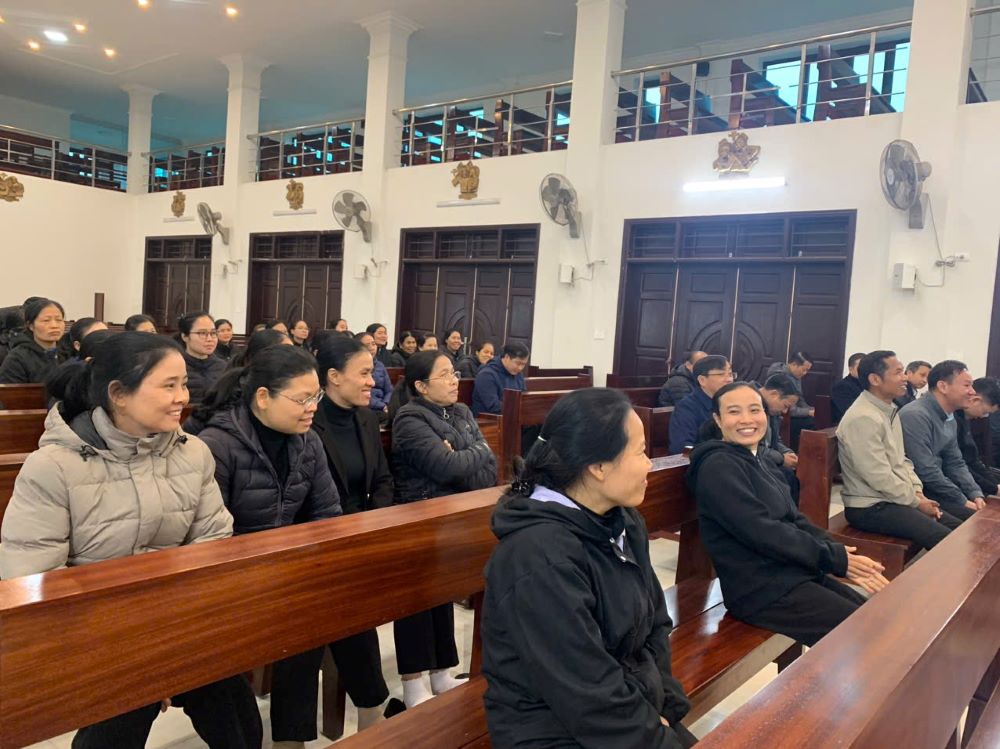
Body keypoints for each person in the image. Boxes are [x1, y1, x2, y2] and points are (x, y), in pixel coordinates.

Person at [0, 332, 262, 748]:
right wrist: (136, 644)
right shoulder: (53, 466)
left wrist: (168, 636)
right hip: (93, 631)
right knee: (124, 705)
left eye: (184, 384)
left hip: (179, 622)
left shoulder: (192, 453)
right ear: (119, 394)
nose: (183, 397)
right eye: (168, 385)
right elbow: (34, 577)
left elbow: (212, 541)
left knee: (234, 706)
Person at [482, 388, 696, 749]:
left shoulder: (624, 521)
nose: (649, 464)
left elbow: (655, 624)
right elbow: (582, 686)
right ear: (598, 467)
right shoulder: (537, 556)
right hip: (552, 728)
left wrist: (666, 708)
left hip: (622, 704)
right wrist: (655, 732)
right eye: (641, 451)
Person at [195, 345, 341, 749]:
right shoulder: (216, 445)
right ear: (263, 397)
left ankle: (292, 739)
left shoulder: (308, 442)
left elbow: (327, 514)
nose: (313, 407)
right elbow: (211, 538)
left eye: (317, 396)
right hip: (229, 581)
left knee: (317, 615)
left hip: (285, 573)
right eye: (302, 398)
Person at [688, 382, 887, 647]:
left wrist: (837, 551)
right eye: (734, 412)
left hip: (789, 572)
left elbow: (795, 519)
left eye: (754, 410)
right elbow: (762, 531)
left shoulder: (759, 459)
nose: (746, 419)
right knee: (864, 633)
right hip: (759, 590)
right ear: (718, 419)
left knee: (873, 616)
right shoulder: (718, 466)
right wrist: (832, 558)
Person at [391, 350, 497, 707]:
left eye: (454, 373)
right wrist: (469, 454)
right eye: (445, 375)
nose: (455, 380)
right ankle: (413, 682)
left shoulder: (462, 411)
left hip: (456, 512)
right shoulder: (409, 419)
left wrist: (463, 455)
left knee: (445, 591)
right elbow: (446, 467)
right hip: (420, 516)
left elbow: (487, 467)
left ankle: (441, 673)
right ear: (421, 386)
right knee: (419, 594)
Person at [306, 336, 394, 731]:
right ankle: (372, 713)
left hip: (364, 536)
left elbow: (384, 479)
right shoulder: (308, 422)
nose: (373, 381)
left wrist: (374, 524)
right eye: (364, 373)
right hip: (322, 540)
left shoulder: (367, 419)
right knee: (348, 609)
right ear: (334, 377)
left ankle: (373, 712)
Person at [837, 351, 961, 550]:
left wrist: (917, 491)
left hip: (894, 498)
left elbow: (902, 460)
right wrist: (915, 501)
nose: (904, 378)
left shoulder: (887, 409)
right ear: (875, 379)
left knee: (958, 527)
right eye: (898, 373)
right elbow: (877, 475)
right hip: (870, 506)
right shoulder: (863, 417)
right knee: (946, 541)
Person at [900, 360, 985, 522]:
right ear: (943, 386)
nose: (973, 392)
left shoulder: (949, 416)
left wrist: (975, 494)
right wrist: (962, 500)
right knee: (975, 525)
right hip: (918, 491)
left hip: (938, 487)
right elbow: (925, 469)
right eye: (967, 385)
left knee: (984, 518)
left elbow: (955, 462)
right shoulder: (915, 415)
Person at [667, 355, 733, 454]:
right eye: (721, 374)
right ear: (702, 380)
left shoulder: (732, 403)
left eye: (730, 374)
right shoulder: (686, 407)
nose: (729, 379)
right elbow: (682, 449)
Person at [0, 297, 67, 384]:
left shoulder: (67, 354)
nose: (54, 325)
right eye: (46, 320)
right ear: (31, 325)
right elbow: (10, 391)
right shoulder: (17, 359)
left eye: (59, 320)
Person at [758, 373, 801, 504]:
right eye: (785, 405)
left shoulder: (771, 410)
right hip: (749, 463)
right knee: (785, 476)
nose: (785, 411)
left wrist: (787, 452)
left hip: (767, 459)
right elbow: (749, 447)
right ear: (774, 394)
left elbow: (775, 440)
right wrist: (781, 458)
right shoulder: (750, 408)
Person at [955, 377, 1000, 497]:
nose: (982, 416)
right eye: (985, 412)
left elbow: (973, 460)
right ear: (976, 400)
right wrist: (993, 488)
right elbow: (957, 464)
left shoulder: (964, 419)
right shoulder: (953, 420)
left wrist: (995, 486)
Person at [766, 351, 815, 447]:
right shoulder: (780, 377)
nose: (805, 373)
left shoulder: (796, 376)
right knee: (810, 423)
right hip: (782, 415)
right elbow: (788, 409)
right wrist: (808, 412)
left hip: (792, 412)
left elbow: (800, 399)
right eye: (804, 370)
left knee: (817, 418)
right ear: (794, 364)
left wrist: (810, 409)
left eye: (807, 370)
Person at [177, 311, 227, 403]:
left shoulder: (223, 366)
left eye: (213, 333)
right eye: (202, 333)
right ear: (185, 336)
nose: (209, 339)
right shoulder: (176, 366)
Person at [472, 341, 529, 417]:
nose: (520, 368)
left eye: (523, 364)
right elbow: (493, 406)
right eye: (518, 363)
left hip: (511, 416)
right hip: (488, 419)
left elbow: (523, 399)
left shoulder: (518, 374)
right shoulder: (486, 374)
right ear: (507, 357)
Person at [355, 331, 394, 420]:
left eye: (373, 344)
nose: (371, 348)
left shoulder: (380, 365)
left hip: (384, 406)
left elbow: (389, 390)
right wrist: (382, 406)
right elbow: (360, 393)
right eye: (367, 345)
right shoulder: (355, 366)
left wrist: (386, 403)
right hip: (367, 406)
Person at [831, 352, 865, 424]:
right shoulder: (842, 386)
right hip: (846, 424)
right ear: (851, 369)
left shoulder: (868, 385)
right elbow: (849, 410)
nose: (864, 371)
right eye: (860, 368)